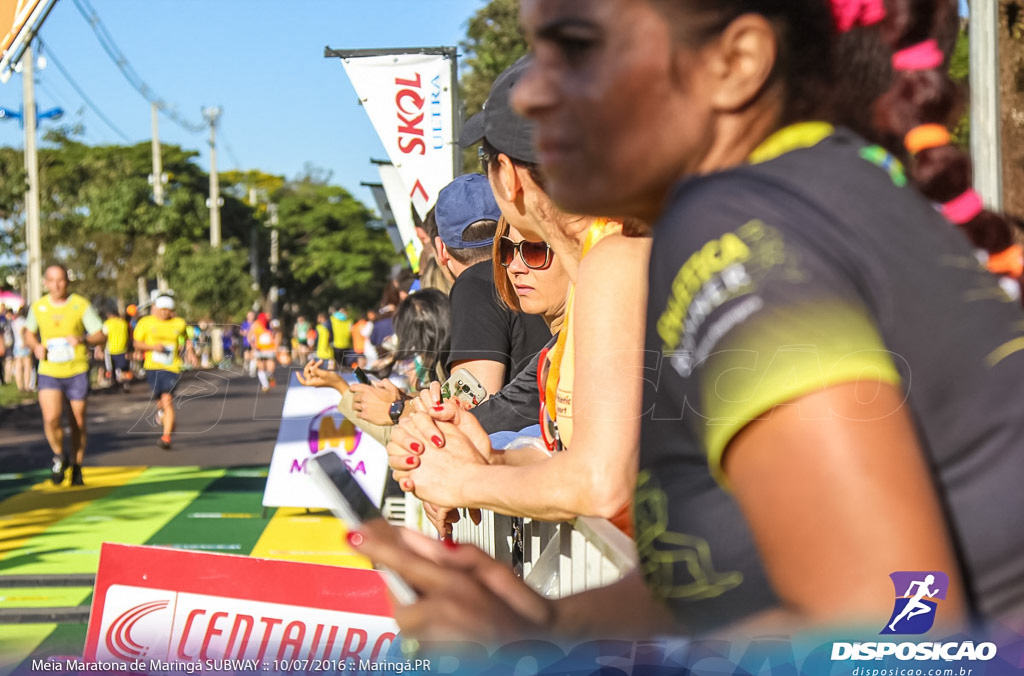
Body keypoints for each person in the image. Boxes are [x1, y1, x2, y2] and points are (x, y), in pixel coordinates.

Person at [356, 0, 1024, 642]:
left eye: (579, 54)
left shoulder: (734, 231)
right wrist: (543, 623)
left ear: (738, 62)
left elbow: (897, 631)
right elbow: (746, 569)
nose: (533, 99)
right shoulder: (808, 193)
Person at [387, 58, 651, 537]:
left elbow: (602, 483)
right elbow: (578, 457)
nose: (513, 264)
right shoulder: (612, 257)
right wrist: (492, 459)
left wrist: (463, 481)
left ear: (507, 176)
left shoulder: (615, 261)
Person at [433, 173, 551, 396]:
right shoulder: (539, 270)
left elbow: (471, 405)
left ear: (441, 250)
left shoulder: (472, 285)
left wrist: (398, 408)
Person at [296, 289, 452, 446]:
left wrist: (395, 410)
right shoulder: (448, 382)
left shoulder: (449, 396)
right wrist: (404, 401)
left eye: (411, 355)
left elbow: (393, 435)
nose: (408, 366)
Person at [23, 264, 106, 486]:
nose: (57, 285)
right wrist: (35, 346)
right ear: (45, 283)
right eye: (52, 280)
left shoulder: (80, 305)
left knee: (77, 421)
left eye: (61, 280)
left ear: (67, 281)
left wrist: (83, 339)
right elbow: (28, 334)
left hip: (76, 369)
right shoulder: (39, 307)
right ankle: (60, 455)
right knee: (51, 419)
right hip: (49, 370)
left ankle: (77, 466)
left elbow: (100, 335)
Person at [133, 294, 194, 449]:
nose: (164, 313)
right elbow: (137, 343)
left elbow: (186, 338)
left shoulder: (179, 323)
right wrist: (153, 347)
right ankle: (168, 420)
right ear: (156, 309)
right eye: (162, 310)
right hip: (152, 367)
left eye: (168, 310)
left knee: (167, 399)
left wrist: (190, 351)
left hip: (172, 367)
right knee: (159, 401)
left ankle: (166, 437)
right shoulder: (145, 323)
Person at [248, 312, 279, 392]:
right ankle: (265, 385)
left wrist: (276, 345)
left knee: (270, 367)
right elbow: (250, 335)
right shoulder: (256, 324)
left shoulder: (271, 324)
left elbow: (277, 334)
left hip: (270, 349)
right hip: (259, 349)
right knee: (261, 367)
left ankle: (270, 376)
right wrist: (252, 345)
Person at [102, 309, 131, 392]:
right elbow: (128, 336)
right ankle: (126, 383)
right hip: (122, 348)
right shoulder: (123, 323)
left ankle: (114, 383)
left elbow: (104, 336)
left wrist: (100, 348)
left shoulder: (107, 324)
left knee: (112, 368)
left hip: (111, 349)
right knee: (124, 368)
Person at [10, 306, 33, 392]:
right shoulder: (25, 321)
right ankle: (27, 386)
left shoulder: (15, 321)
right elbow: (22, 332)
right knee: (27, 367)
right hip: (24, 346)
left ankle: (20, 386)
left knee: (18, 366)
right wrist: (25, 342)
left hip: (16, 345)